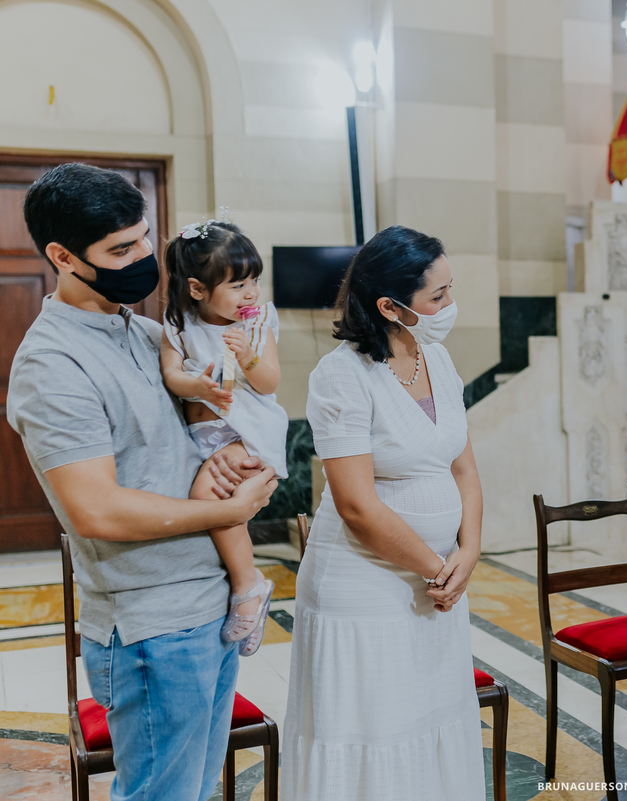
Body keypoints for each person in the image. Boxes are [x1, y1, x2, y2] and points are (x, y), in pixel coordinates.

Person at [8, 163, 278, 801]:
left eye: (145, 238)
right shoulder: (53, 364)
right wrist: (228, 510)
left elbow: (199, 435)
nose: (143, 258)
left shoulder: (150, 332)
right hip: (152, 625)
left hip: (208, 601)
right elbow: (97, 511)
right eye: (120, 250)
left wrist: (228, 460)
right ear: (62, 257)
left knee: (196, 789)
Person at [282, 225, 485, 800]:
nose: (450, 305)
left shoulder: (438, 359)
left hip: (438, 583)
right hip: (363, 585)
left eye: (450, 289)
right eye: (437, 296)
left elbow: (464, 468)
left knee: (431, 718)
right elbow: (357, 506)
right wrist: (436, 569)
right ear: (390, 306)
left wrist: (468, 551)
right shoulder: (342, 375)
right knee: (375, 730)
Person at [161, 220, 290, 654]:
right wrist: (197, 386)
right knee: (218, 509)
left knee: (207, 498)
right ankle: (243, 586)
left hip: (246, 431)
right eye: (237, 285)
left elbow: (269, 383)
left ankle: (248, 585)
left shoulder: (258, 323)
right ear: (198, 289)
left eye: (254, 281)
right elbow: (171, 374)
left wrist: (248, 356)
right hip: (201, 434)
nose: (250, 293)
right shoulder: (178, 323)